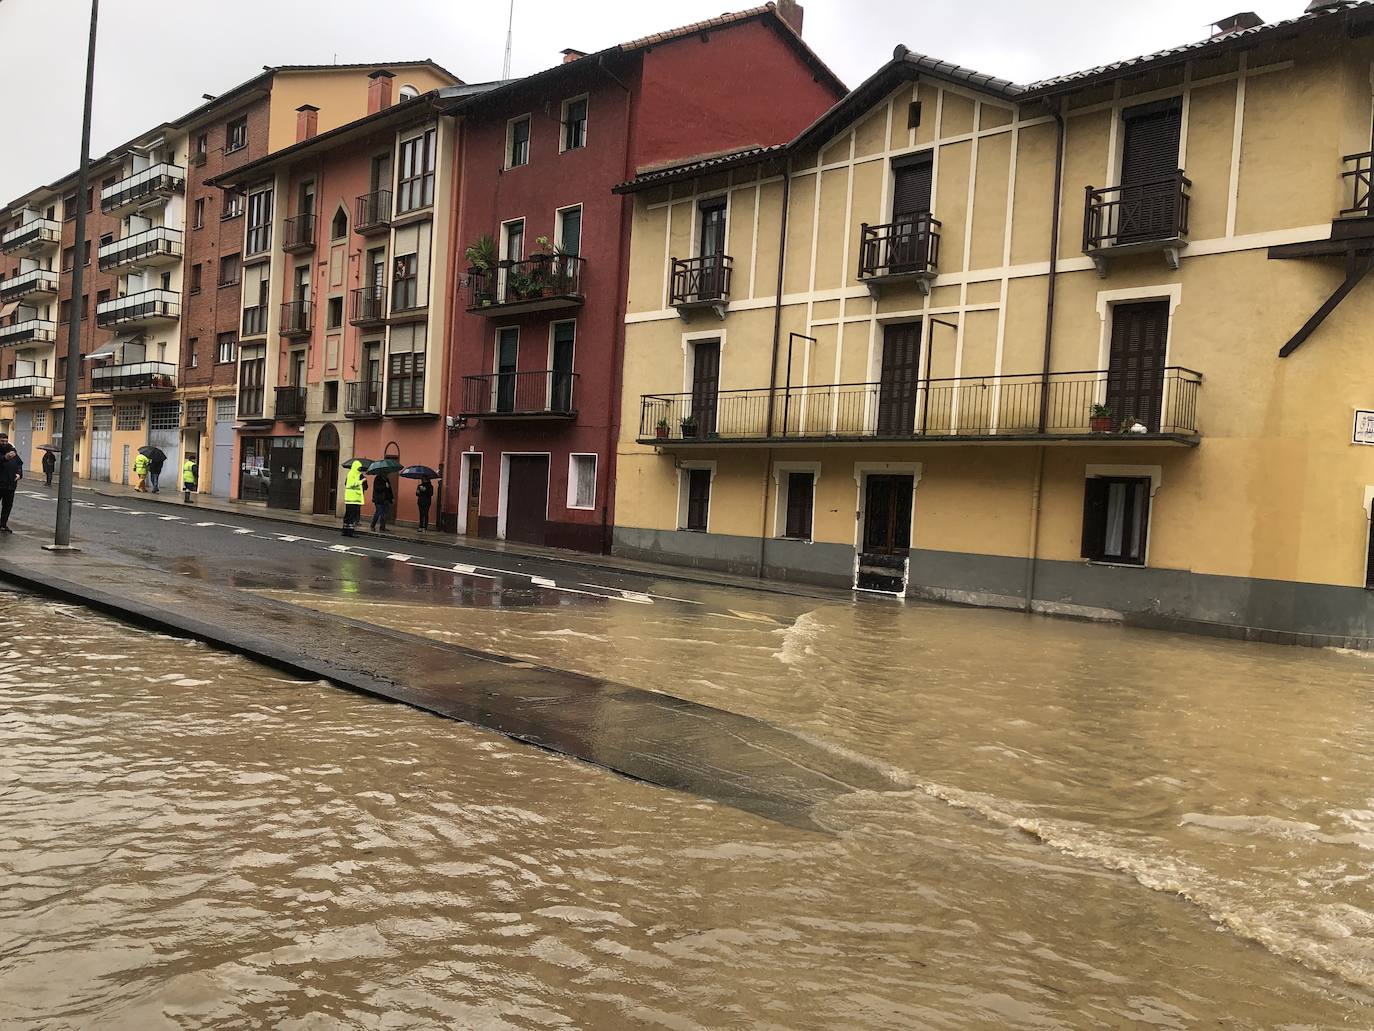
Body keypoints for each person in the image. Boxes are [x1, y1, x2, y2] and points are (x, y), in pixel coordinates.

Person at [0, 435, 22, 533]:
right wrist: (4, 458)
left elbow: (19, 464)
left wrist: (19, 473)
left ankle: (3, 524)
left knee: (7, 505)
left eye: (6, 441)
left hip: (10, 484)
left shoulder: (13, 451)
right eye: (2, 441)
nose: (4, 443)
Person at [342, 460, 366, 537]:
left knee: (348, 515)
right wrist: (361, 481)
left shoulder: (355, 474)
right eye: (358, 468)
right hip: (353, 499)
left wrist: (362, 477)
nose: (359, 470)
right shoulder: (352, 474)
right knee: (352, 516)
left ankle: (345, 531)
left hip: (352, 498)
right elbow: (352, 484)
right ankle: (350, 532)